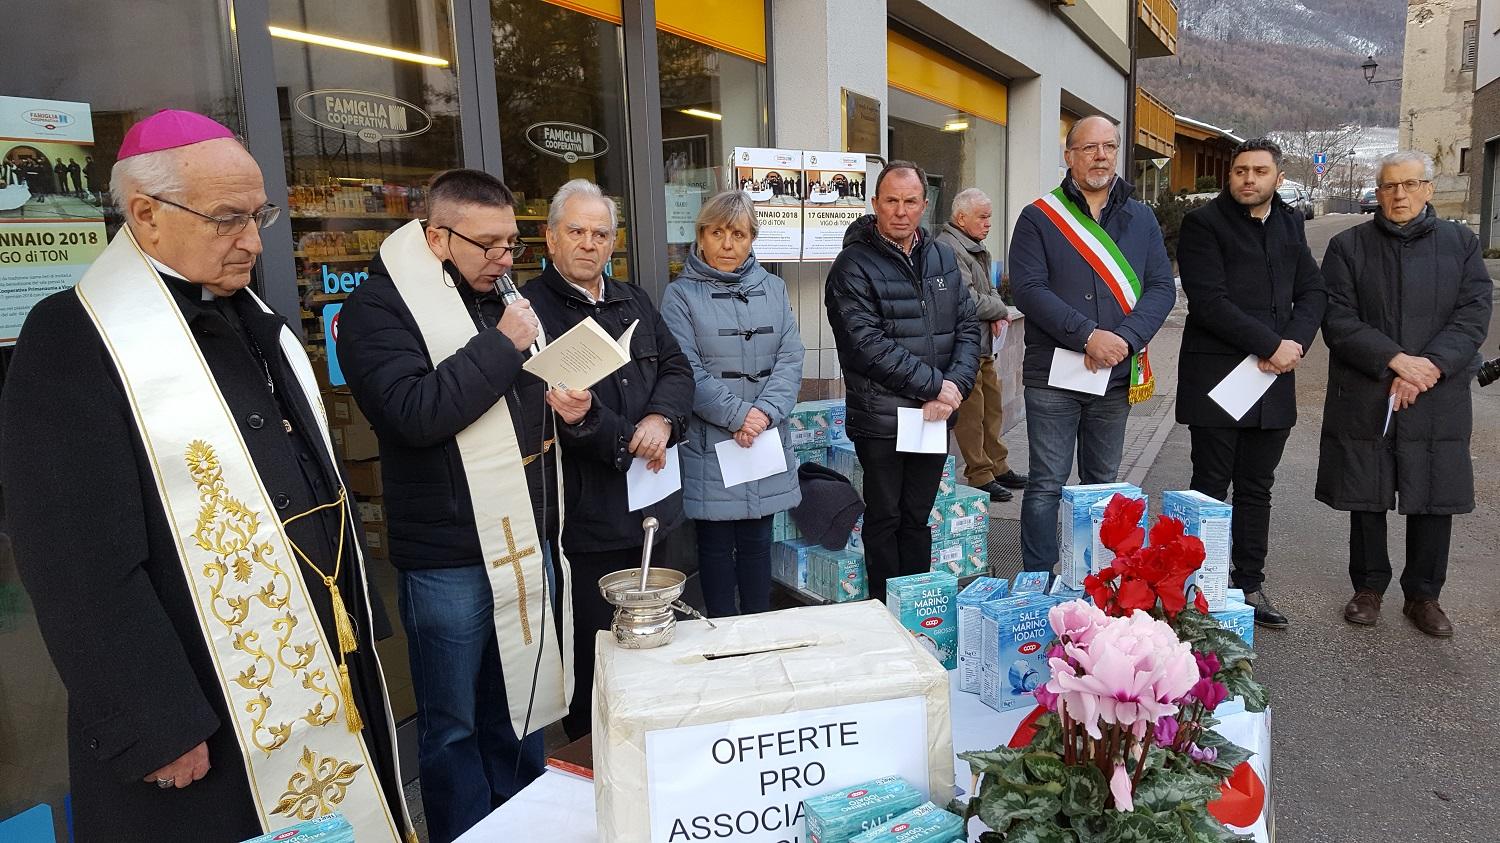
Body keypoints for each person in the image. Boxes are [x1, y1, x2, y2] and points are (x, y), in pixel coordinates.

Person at [0, 110, 413, 842]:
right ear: (146, 214)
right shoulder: (72, 338)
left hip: (317, 667)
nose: (254, 241)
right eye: (227, 219)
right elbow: (72, 560)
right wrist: (152, 722)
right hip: (196, 701)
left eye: (259, 215)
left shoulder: (251, 317)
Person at [336, 169, 570, 842]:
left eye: (512, 244)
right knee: (454, 725)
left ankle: (528, 824)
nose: (505, 259)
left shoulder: (491, 292)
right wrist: (503, 343)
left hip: (520, 536)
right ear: (437, 235)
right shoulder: (376, 310)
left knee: (520, 703)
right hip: (448, 554)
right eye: (490, 244)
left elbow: (515, 400)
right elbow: (414, 413)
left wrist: (565, 401)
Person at [524, 179, 693, 738]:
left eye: (600, 233)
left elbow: (677, 369)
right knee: (595, 658)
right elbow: (552, 418)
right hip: (587, 519)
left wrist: (660, 421)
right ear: (550, 238)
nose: (589, 243)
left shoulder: (634, 299)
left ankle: (656, 745)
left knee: (656, 645)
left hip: (653, 509)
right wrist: (621, 436)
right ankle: (592, 764)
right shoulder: (531, 314)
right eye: (576, 231)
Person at [1317, 150, 1491, 638]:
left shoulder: (1460, 244)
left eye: (1410, 184)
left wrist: (1427, 367)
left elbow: (1474, 312)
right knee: (1367, 490)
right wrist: (1396, 361)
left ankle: (1424, 595)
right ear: (1378, 192)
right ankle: (1368, 588)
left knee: (1434, 491)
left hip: (1438, 388)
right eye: (1390, 186)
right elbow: (1337, 317)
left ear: (1428, 189)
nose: (1399, 194)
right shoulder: (1348, 246)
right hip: (1369, 385)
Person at [1009, 115, 1176, 574]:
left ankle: (1098, 577)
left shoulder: (1141, 218)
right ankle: (1039, 582)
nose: (1100, 156)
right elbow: (1028, 288)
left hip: (1116, 373)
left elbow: (1162, 287)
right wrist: (1087, 335)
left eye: (1108, 147)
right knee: (1046, 484)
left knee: (1103, 484)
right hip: (1053, 376)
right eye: (1088, 148)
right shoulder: (1038, 217)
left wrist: (1124, 339)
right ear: (1069, 156)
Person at [1176, 138, 1327, 629]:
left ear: (1277, 178)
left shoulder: (1289, 222)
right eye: (1240, 170)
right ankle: (1200, 585)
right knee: (1210, 487)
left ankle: (1249, 582)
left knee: (1258, 488)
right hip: (1219, 378)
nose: (1248, 179)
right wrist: (1270, 343)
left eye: (1259, 171)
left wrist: (1296, 343)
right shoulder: (1204, 224)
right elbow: (1209, 301)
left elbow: (1312, 290)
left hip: (1273, 379)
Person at [825, 160, 981, 602]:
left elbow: (968, 328)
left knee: (917, 516)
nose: (900, 210)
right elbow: (865, 345)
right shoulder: (852, 266)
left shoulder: (943, 257)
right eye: (891, 201)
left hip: (934, 417)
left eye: (910, 201)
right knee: (885, 518)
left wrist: (952, 392)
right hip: (882, 421)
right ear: (874, 204)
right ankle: (883, 613)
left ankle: (914, 606)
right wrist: (935, 385)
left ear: (924, 205)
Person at [660, 190, 804, 617]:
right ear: (701, 236)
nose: (728, 244)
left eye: (738, 233)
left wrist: (762, 415)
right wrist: (740, 415)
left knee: (759, 542)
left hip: (762, 436)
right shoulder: (680, 296)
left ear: (751, 238)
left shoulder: (775, 288)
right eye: (717, 232)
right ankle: (721, 633)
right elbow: (686, 370)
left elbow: (791, 357)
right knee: (716, 546)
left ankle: (758, 631)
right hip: (712, 442)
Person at [935, 187, 1027, 503]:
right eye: (983, 217)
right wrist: (999, 310)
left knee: (992, 407)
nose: (989, 223)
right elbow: (966, 300)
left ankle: (997, 466)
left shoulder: (973, 246)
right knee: (972, 413)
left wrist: (996, 308)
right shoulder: (949, 248)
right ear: (961, 217)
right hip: (962, 346)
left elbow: (989, 291)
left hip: (982, 344)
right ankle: (980, 474)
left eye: (989, 216)